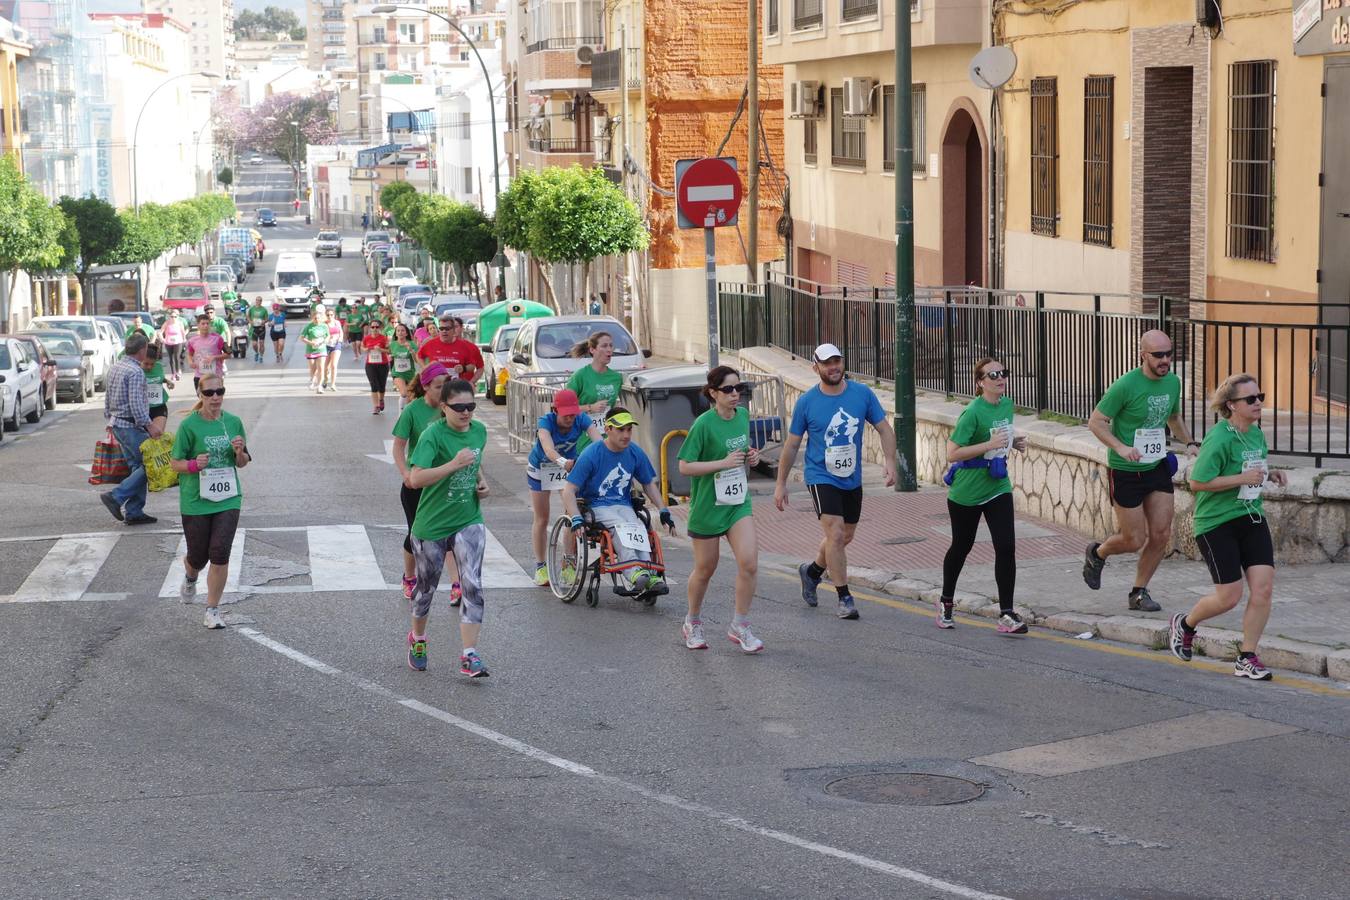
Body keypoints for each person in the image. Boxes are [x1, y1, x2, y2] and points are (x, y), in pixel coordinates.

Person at [1168, 374, 1286, 681]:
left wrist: (1270, 474)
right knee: (1229, 597)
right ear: (1231, 405)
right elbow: (1197, 482)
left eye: (1259, 396)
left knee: (1263, 589)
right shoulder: (1219, 438)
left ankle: (1247, 656)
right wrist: (1240, 480)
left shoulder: (1256, 434)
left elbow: (1252, 468)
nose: (1258, 402)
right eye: (1250, 399)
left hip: (1251, 517)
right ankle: (1185, 624)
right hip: (1216, 523)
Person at [774, 343, 897, 620]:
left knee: (844, 537)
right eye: (827, 363)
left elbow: (884, 429)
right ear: (815, 367)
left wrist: (890, 461)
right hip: (820, 475)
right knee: (836, 533)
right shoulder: (807, 402)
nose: (833, 368)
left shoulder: (861, 393)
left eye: (837, 361)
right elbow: (792, 446)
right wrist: (781, 483)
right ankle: (844, 597)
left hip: (851, 476)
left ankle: (813, 571)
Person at [1082, 329, 1199, 612]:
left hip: (1156, 465)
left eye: (1169, 354)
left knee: (1160, 534)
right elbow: (1096, 422)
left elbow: (1172, 416)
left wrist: (1190, 442)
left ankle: (1139, 592)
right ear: (1142, 355)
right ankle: (1097, 553)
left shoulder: (1172, 382)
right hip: (1126, 469)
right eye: (1158, 355)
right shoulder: (1124, 386)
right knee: (1133, 540)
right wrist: (1120, 447)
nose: (1165, 360)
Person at [937, 358, 1028, 634]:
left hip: (997, 486)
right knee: (962, 546)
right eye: (993, 375)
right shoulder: (972, 412)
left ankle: (1007, 613)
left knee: (1006, 547)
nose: (1000, 378)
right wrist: (989, 444)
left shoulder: (1007, 405)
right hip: (967, 492)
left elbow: (1000, 439)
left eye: (1003, 373)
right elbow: (952, 453)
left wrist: (1015, 443)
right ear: (980, 382)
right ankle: (946, 602)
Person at [406, 378, 490, 676]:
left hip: (468, 518)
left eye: (471, 406)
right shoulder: (433, 436)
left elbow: (475, 461)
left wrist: (481, 482)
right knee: (426, 588)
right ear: (444, 408)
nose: (466, 412)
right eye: (459, 408)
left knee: (472, 583)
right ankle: (417, 638)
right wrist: (453, 465)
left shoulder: (479, 431)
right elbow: (416, 479)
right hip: (432, 523)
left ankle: (469, 654)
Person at [677, 366, 764, 653]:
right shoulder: (703, 424)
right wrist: (722, 464)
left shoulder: (742, 416)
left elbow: (742, 452)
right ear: (713, 393)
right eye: (728, 389)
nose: (735, 394)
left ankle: (740, 624)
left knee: (749, 562)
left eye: (738, 388)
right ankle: (693, 620)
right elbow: (685, 466)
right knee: (705, 568)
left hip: (737, 503)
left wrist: (752, 457)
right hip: (708, 506)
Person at [561, 408, 676, 595]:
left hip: (623, 504)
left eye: (629, 430)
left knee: (637, 525)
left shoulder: (634, 452)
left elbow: (648, 484)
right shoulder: (591, 453)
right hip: (595, 505)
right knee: (621, 526)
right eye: (621, 430)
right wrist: (575, 518)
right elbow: (569, 490)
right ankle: (633, 572)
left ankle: (649, 572)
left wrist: (663, 510)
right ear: (608, 429)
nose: (626, 435)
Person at [169, 374, 250, 629]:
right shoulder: (188, 426)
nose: (215, 397)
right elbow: (175, 463)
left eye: (220, 391)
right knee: (198, 557)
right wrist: (194, 464)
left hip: (228, 498)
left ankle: (212, 610)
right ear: (200, 395)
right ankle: (190, 576)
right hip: (196, 500)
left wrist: (239, 452)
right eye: (209, 393)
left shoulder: (234, 422)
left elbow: (243, 462)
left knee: (220, 553)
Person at [393, 363, 461, 602]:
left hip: (443, 481)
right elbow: (399, 446)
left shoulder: (449, 409)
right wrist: (405, 474)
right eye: (439, 387)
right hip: (417, 484)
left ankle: (456, 584)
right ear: (425, 387)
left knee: (449, 533)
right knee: (416, 534)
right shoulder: (413, 410)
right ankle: (409, 577)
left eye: (446, 385)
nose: (444, 390)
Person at [526, 388, 601, 586]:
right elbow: (548, 447)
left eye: (572, 413)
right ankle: (541, 566)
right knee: (542, 518)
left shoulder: (581, 419)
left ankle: (568, 563)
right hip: (543, 467)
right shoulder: (545, 422)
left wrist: (602, 457)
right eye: (565, 414)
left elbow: (598, 440)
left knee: (572, 513)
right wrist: (562, 462)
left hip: (568, 466)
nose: (570, 418)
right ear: (554, 409)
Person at [99, 333, 164, 526]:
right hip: (131, 426)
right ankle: (116, 496)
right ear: (142, 349)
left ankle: (134, 511)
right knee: (150, 464)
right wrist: (149, 425)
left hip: (118, 423)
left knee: (137, 466)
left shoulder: (116, 367)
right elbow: (136, 405)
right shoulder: (135, 372)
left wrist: (109, 418)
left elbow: (107, 397)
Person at [565, 331, 624, 454]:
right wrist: (590, 407)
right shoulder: (580, 376)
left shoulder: (616, 378)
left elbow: (614, 406)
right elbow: (564, 408)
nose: (609, 350)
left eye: (611, 345)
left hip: (608, 437)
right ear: (592, 350)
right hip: (582, 437)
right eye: (604, 346)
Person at [416, 315, 484, 384]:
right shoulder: (431, 343)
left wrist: (463, 369)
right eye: (441, 328)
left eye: (447, 328)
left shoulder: (464, 346)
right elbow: (419, 356)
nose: (444, 331)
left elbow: (473, 366)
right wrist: (425, 368)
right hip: (438, 387)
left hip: (457, 387)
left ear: (453, 330)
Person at [186, 314, 227, 392]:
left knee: (214, 400)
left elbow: (228, 354)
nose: (205, 326)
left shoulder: (218, 338)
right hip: (199, 376)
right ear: (198, 325)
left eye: (207, 323)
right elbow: (189, 354)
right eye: (203, 324)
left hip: (215, 375)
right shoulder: (192, 341)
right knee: (202, 401)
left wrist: (214, 357)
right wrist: (190, 362)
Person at [362, 320, 391, 414]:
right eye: (373, 327)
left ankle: (381, 399)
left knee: (382, 386)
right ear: (370, 328)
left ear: (380, 328)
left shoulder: (383, 338)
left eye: (377, 327)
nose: (375, 329)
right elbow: (362, 348)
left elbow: (389, 350)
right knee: (373, 385)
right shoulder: (366, 338)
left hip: (382, 364)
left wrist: (381, 349)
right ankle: (376, 406)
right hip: (370, 364)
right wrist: (366, 349)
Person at [140, 343, 170, 436]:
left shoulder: (159, 366)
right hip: (142, 409)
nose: (149, 367)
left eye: (152, 364)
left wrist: (167, 381)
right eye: (146, 364)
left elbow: (159, 378)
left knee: (157, 435)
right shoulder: (135, 370)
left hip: (159, 406)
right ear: (140, 360)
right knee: (145, 440)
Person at [300, 306, 330, 394]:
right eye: (315, 318)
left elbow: (328, 335)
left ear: (321, 318)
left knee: (321, 368)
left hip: (322, 349)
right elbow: (302, 338)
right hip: (311, 350)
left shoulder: (324, 326)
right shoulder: (309, 326)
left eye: (318, 318)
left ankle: (319, 386)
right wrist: (311, 343)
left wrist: (325, 340)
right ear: (313, 318)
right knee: (313, 368)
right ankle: (312, 379)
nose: (317, 319)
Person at [389, 323, 418, 410]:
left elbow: (416, 360)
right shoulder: (392, 344)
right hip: (397, 373)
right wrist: (389, 357)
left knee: (410, 397)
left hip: (410, 373)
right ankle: (400, 414)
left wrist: (411, 350)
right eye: (398, 331)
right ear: (396, 333)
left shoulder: (412, 344)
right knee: (404, 393)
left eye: (402, 330)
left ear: (406, 333)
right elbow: (389, 355)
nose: (400, 332)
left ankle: (406, 414)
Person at [159, 309, 186, 383]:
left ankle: (178, 372)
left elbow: (183, 332)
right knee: (171, 358)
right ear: (169, 317)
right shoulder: (167, 323)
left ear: (177, 316)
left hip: (178, 342)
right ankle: (173, 373)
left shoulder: (180, 323)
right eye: (172, 316)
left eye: (175, 316)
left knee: (176, 356)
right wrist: (162, 339)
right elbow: (160, 332)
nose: (173, 318)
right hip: (169, 342)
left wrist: (184, 339)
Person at [324, 304, 344, 392]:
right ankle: (325, 379)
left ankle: (333, 384)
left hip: (336, 345)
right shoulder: (324, 324)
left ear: (334, 315)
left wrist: (340, 339)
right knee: (326, 367)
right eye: (328, 315)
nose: (330, 316)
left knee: (334, 365)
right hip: (326, 345)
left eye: (331, 315)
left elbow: (341, 332)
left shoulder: (337, 322)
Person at [247, 296, 268, 363]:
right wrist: (250, 322)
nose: (258, 301)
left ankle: (261, 356)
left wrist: (264, 321)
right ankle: (256, 353)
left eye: (260, 300)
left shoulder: (264, 310)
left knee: (261, 344)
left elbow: (267, 318)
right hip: (254, 328)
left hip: (261, 328)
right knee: (254, 344)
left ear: (261, 301)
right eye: (257, 300)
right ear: (255, 301)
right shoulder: (252, 309)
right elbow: (248, 316)